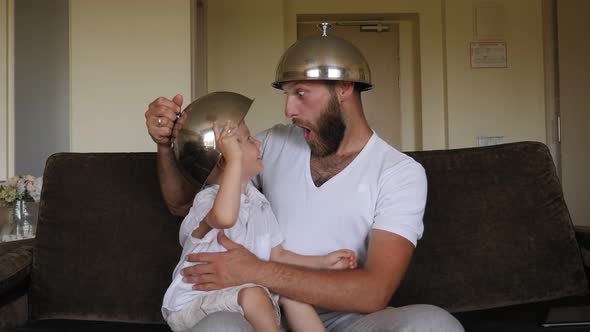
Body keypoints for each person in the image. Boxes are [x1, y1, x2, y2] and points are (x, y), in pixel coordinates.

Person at [145, 24, 464, 331]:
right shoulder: (271, 145)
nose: (288, 109)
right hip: (263, 313)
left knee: (435, 324)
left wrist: (255, 270)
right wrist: (165, 145)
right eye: (287, 94)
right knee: (218, 327)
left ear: (344, 88)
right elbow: (186, 203)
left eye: (301, 93)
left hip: (348, 320)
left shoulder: (399, 173)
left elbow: (374, 292)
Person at [162, 117, 358, 332]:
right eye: (247, 140)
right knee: (253, 295)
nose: (259, 143)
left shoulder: (259, 203)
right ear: (224, 160)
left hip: (246, 296)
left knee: (295, 295)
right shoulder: (207, 200)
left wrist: (323, 262)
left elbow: (278, 255)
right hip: (195, 304)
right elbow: (225, 218)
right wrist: (235, 159)